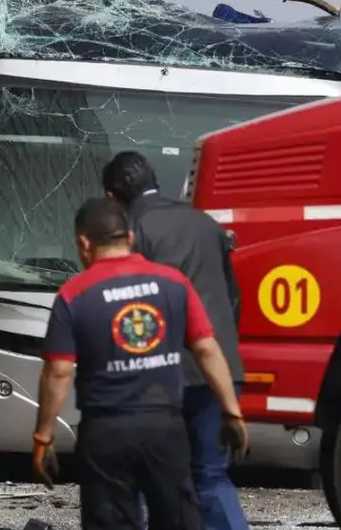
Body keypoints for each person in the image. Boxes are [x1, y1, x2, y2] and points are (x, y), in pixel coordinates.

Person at [31, 197, 248, 530]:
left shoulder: (74, 294)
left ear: (84, 244)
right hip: (165, 429)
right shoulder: (174, 283)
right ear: (130, 237)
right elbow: (207, 350)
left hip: (106, 433)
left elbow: (58, 371)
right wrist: (231, 411)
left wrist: (44, 437)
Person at [102, 151, 248, 530]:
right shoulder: (205, 224)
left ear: (112, 197)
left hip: (158, 376)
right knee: (212, 475)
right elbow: (233, 298)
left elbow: (123, 308)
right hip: (217, 369)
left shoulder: (130, 231)